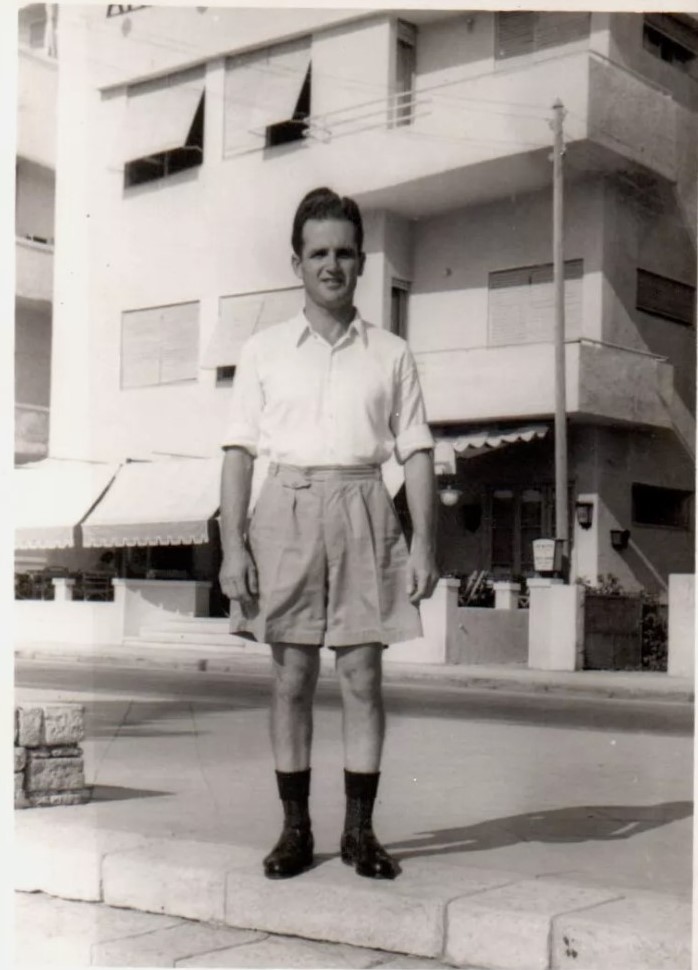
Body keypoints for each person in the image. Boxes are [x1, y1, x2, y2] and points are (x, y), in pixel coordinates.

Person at [219, 187, 438, 881]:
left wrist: (427, 542)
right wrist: (232, 548)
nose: (332, 265)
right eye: (319, 253)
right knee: (290, 675)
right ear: (297, 262)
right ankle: (295, 829)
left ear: (362, 262)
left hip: (365, 505)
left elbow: (418, 451)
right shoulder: (261, 351)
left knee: (363, 675)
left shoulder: (393, 352)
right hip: (283, 507)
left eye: (345, 252)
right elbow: (238, 454)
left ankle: (360, 833)